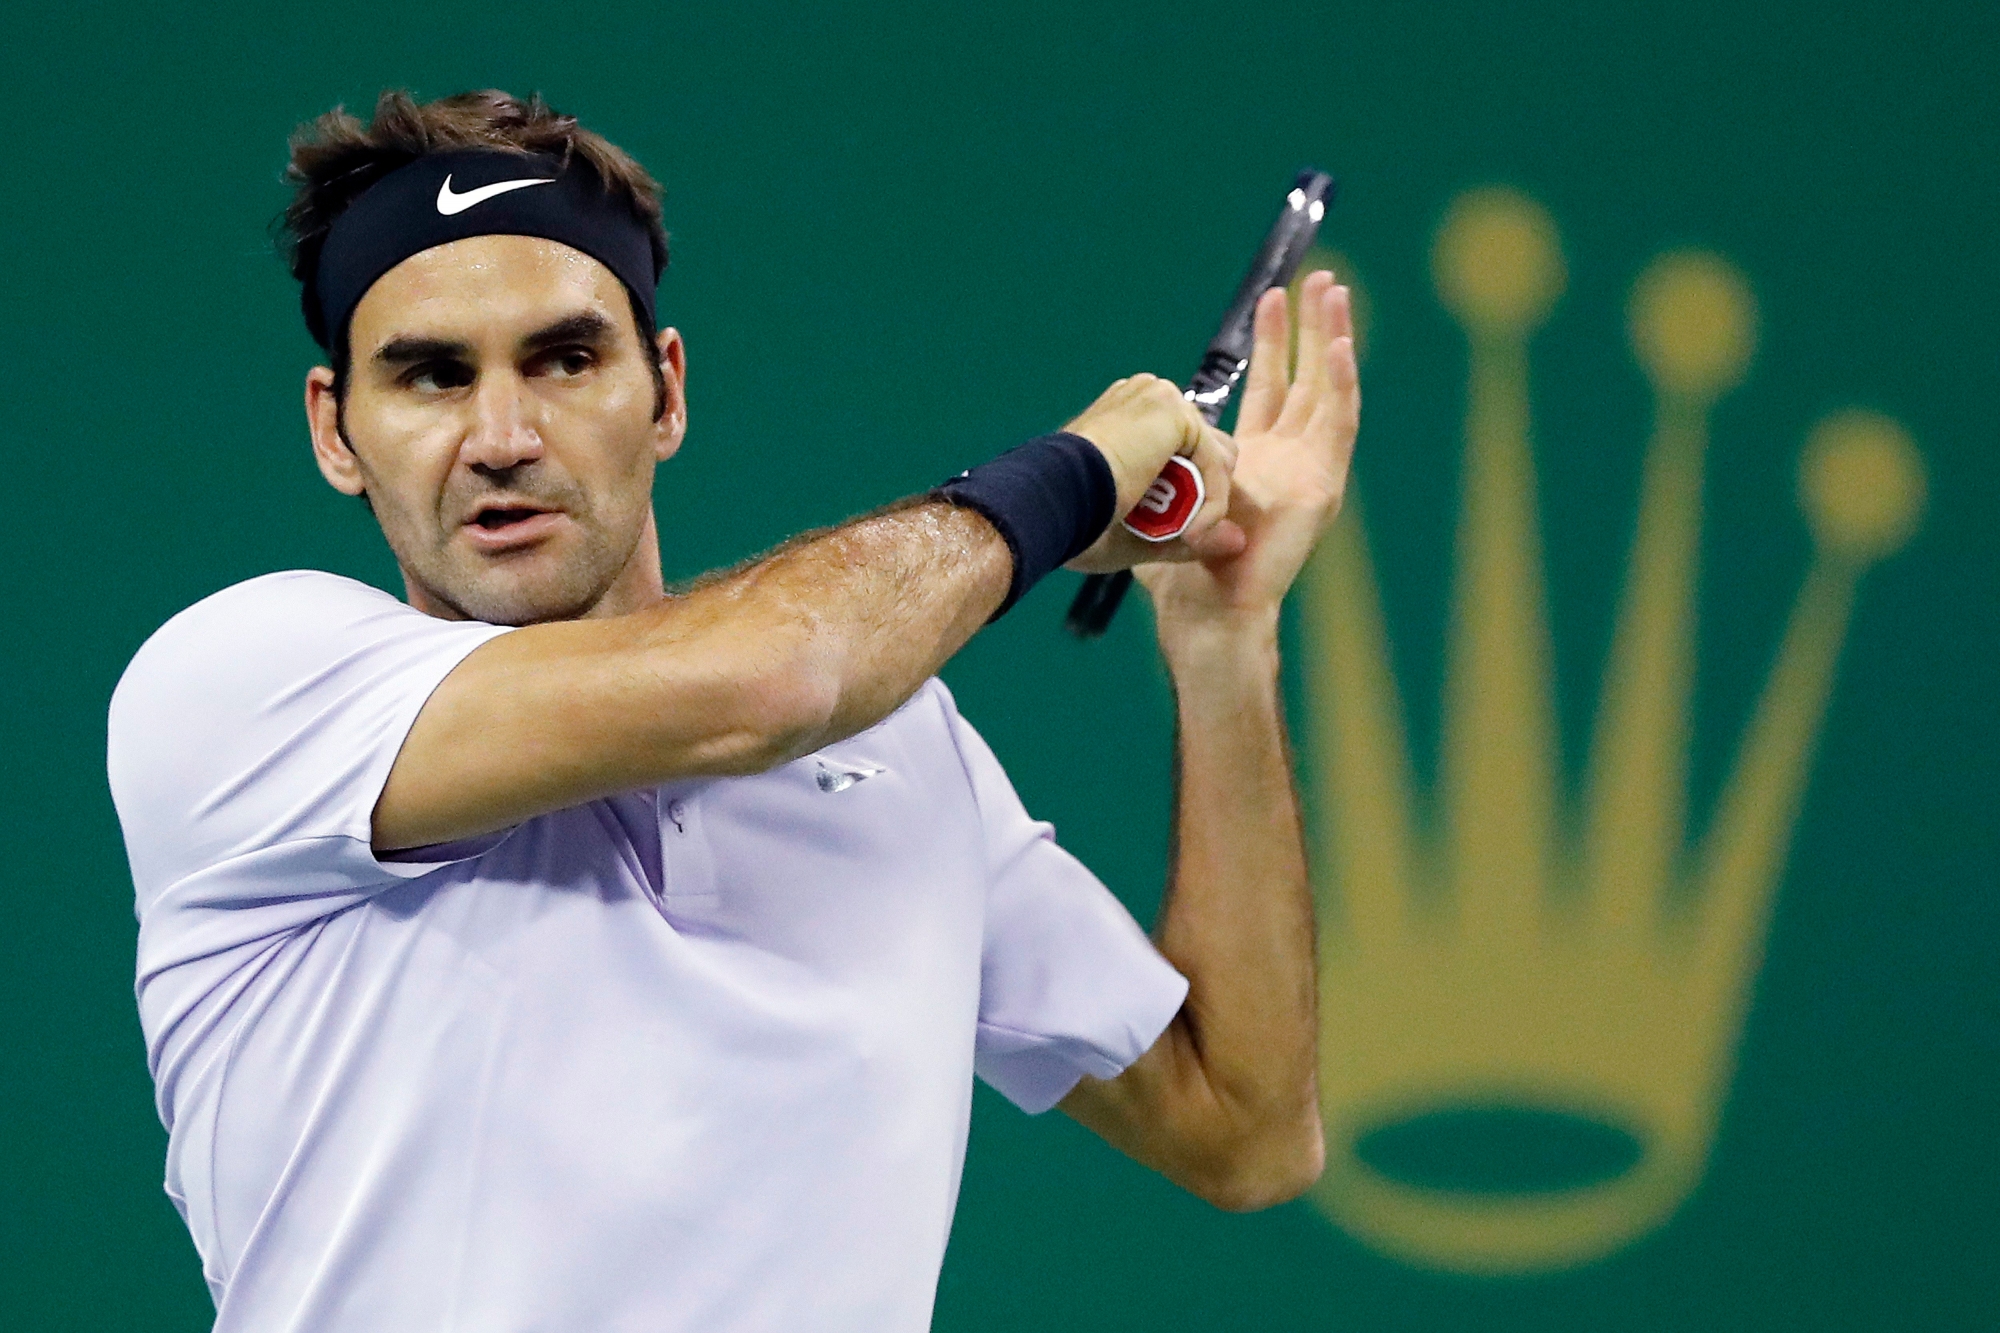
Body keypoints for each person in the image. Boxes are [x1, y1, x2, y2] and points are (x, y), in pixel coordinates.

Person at [106, 88, 1360, 1332]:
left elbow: (1241, 1127)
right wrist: (1070, 478)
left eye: (564, 358)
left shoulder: (896, 749)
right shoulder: (237, 686)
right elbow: (775, 677)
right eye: (432, 377)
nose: (501, 434)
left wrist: (1223, 641)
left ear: (664, 389)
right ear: (337, 430)